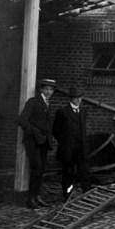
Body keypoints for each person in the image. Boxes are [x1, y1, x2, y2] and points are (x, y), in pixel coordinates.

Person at [17, 78, 56, 209]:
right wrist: (35, 133)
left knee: (41, 170)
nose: (49, 92)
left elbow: (47, 124)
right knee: (36, 169)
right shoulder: (33, 102)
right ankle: (30, 199)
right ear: (41, 89)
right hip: (33, 141)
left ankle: (37, 196)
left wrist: (50, 138)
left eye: (51, 90)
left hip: (44, 142)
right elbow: (22, 120)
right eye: (46, 89)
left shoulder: (48, 104)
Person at [52, 86, 92, 200]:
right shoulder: (63, 112)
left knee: (84, 172)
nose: (78, 100)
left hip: (81, 148)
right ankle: (68, 194)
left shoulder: (83, 111)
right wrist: (65, 142)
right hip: (68, 149)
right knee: (68, 173)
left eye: (80, 97)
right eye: (75, 98)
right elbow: (56, 131)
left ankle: (87, 194)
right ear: (70, 99)